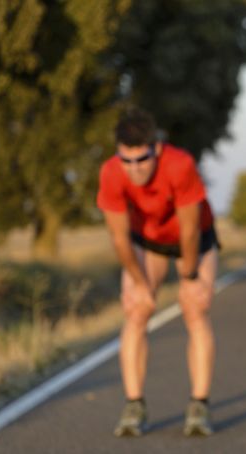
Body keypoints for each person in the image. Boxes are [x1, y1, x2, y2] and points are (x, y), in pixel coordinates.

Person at [97, 107, 220, 437]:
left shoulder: (179, 164)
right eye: (127, 161)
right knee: (136, 309)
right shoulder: (111, 173)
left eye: (142, 159)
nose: (135, 169)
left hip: (193, 240)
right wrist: (139, 284)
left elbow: (190, 230)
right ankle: (134, 405)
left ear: (157, 148)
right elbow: (119, 237)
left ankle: (199, 404)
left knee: (195, 307)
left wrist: (190, 278)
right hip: (148, 242)